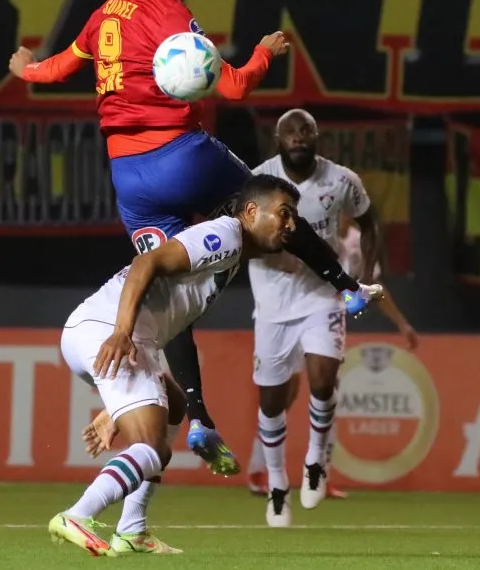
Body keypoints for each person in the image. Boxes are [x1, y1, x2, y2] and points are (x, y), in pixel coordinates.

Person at [9, 0, 380, 477]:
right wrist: (261, 52)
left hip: (129, 180)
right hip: (182, 154)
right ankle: (347, 289)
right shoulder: (169, 17)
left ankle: (200, 418)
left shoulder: (103, 15)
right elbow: (233, 87)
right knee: (271, 202)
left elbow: (57, 66)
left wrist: (24, 69)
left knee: (167, 294)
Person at [51, 174, 340, 556]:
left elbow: (167, 322)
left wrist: (115, 404)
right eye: (284, 214)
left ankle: (133, 529)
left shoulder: (232, 257)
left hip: (108, 336)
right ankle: (77, 515)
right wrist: (120, 332)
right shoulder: (226, 235)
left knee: (173, 407)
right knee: (151, 447)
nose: (291, 225)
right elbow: (145, 263)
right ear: (250, 212)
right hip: (109, 333)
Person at [243, 109, 388, 526]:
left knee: (323, 381)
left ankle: (315, 461)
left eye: (306, 130)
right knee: (271, 402)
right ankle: (275, 485)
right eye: (290, 131)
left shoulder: (341, 180)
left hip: (321, 295)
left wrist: (361, 277)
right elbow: (239, 233)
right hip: (271, 302)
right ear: (277, 139)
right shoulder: (258, 181)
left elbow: (370, 222)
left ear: (318, 136)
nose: (299, 137)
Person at [246, 209, 420, 500]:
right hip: (285, 318)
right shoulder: (297, 229)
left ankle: (320, 475)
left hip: (324, 321)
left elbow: (373, 288)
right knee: (283, 396)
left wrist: (402, 324)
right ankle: (258, 470)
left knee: (328, 390)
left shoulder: (354, 241)